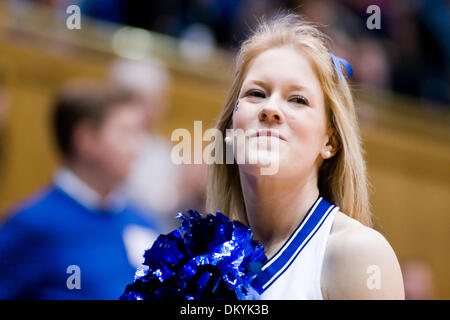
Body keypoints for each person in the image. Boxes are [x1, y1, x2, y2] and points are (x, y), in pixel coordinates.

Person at [206, 14, 405, 299]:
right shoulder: (205, 264)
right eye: (256, 93)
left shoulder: (357, 255)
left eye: (297, 99)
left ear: (330, 141)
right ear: (230, 130)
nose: (270, 108)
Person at [0, 81, 160, 299]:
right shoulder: (32, 226)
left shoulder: (142, 222)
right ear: (86, 139)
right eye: (126, 133)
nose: (138, 147)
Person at [109, 58, 184, 232]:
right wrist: (183, 188)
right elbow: (145, 205)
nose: (159, 108)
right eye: (151, 101)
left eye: (160, 100)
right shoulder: (112, 143)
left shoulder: (160, 147)